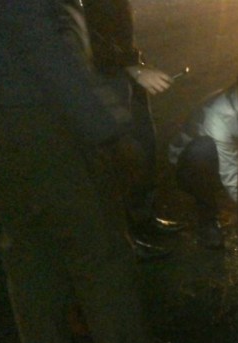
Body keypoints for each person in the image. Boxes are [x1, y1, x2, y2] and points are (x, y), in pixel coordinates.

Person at [0, 0, 182, 343]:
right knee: (99, 253)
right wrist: (110, 134)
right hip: (43, 123)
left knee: (28, 257)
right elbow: (49, 53)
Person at [83, 0, 186, 261]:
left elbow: (118, 30)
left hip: (125, 73)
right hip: (103, 81)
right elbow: (86, 36)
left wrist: (135, 62)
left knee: (145, 149)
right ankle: (127, 241)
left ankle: (144, 219)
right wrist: (132, 68)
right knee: (120, 164)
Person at [169, 56, 238, 249]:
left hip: (233, 150)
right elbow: (229, 173)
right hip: (192, 164)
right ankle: (207, 218)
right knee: (202, 151)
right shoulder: (219, 116)